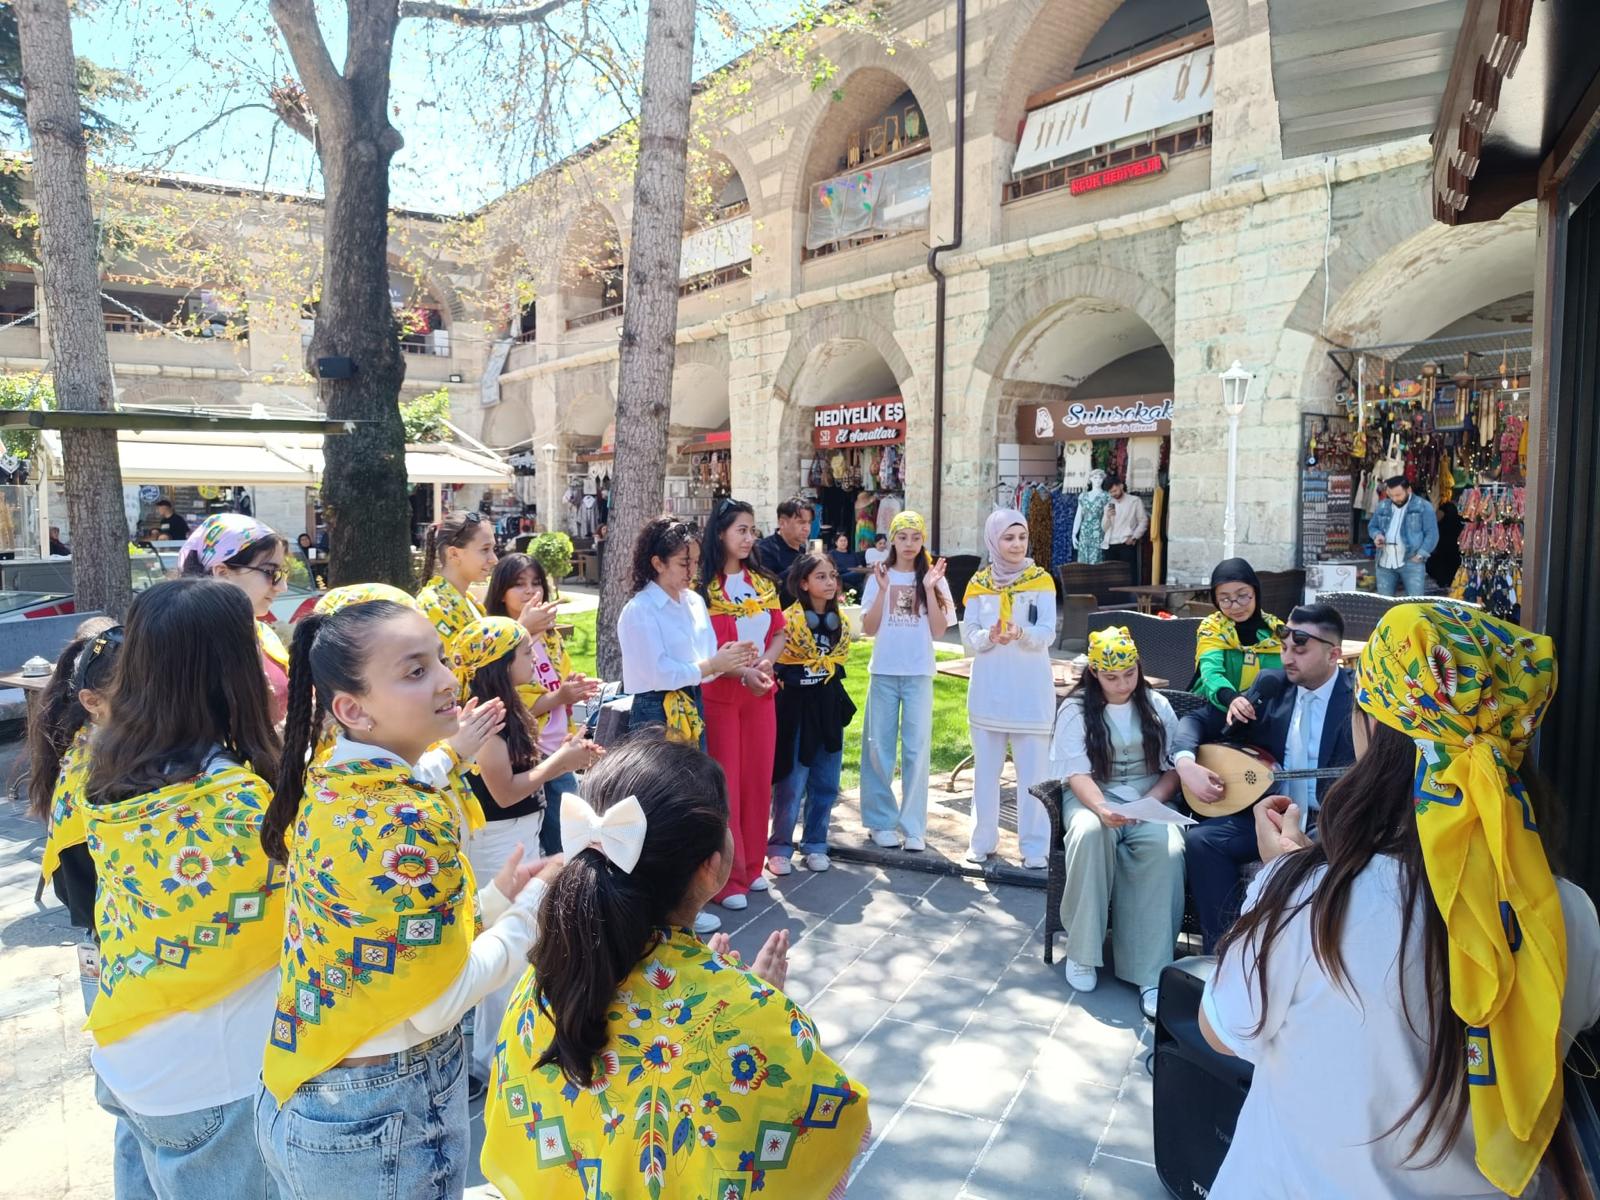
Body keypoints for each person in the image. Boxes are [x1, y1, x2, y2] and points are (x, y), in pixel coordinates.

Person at [1199, 601, 1600, 1197]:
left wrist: (1286, 879)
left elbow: (1221, 1027)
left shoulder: (1307, 901)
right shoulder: (1569, 914)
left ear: (1374, 731)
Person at [480, 730, 871, 1200]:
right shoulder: (756, 1017)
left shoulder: (544, 983)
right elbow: (834, 1130)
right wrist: (756, 1010)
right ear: (711, 866)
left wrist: (742, 1004)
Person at [255, 599, 560, 1198]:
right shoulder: (407, 818)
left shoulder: (332, 779)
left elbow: (399, 937)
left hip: (309, 1087)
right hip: (383, 1115)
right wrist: (531, 913)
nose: (449, 680)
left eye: (441, 660)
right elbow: (437, 1002)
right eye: (415, 671)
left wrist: (496, 899)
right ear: (352, 709)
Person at [83, 578, 284, 1198]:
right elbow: (291, 916)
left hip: (130, 1055)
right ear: (230, 668)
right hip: (218, 1077)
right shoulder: (234, 800)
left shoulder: (105, 768)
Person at [457, 614, 602, 1090]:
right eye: (523, 653)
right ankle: (490, 1063)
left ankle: (503, 1050)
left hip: (521, 833)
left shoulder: (512, 707)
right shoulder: (487, 719)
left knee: (520, 948)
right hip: (497, 845)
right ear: (498, 664)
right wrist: (559, 762)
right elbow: (502, 791)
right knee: (505, 954)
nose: (533, 659)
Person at [1175, 603, 1355, 951]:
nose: (1287, 657)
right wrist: (1185, 763)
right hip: (1267, 814)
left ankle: (1306, 959)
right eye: (1284, 647)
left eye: (1299, 648)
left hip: (1329, 820)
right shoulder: (1271, 686)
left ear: (1334, 654)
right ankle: (1223, 953)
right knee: (1202, 841)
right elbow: (1198, 720)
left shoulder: (1358, 700)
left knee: (1310, 856)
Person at [616, 516, 757, 933]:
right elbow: (656, 674)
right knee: (660, 808)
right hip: (656, 711)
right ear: (656, 562)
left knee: (690, 803)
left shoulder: (694, 603)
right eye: (683, 562)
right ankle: (651, 906)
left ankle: (680, 905)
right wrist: (712, 664)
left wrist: (729, 659)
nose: (691, 570)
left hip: (690, 706)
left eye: (694, 561)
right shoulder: (639, 610)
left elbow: (705, 663)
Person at [1049, 627, 1184, 1019]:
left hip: (1148, 796)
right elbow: (1076, 773)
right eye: (1111, 678)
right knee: (1090, 835)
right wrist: (1102, 809)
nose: (1122, 684)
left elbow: (1173, 767)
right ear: (1094, 674)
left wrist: (1150, 803)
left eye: (1129, 675)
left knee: (1168, 849)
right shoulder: (1075, 710)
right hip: (1093, 793)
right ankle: (1083, 951)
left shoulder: (1158, 704)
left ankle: (1151, 970)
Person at [699, 498, 787, 912]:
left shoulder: (762, 583)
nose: (750, 538)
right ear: (721, 533)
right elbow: (707, 648)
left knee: (756, 779)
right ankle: (725, 878)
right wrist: (742, 673)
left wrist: (767, 661)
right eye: (742, 530)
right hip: (721, 695)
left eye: (753, 530)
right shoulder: (705, 590)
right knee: (727, 785)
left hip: (760, 694)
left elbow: (780, 631)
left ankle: (752, 866)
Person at [484, 552, 599, 856]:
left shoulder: (549, 637)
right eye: (518, 584)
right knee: (559, 841)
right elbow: (512, 705)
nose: (530, 591)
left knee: (570, 830)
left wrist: (573, 687)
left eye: (536, 583)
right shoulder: (499, 641)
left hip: (558, 743)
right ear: (500, 592)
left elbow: (556, 683)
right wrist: (561, 696)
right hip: (531, 753)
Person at [960, 508, 1055, 869]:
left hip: (1030, 692)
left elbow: (1048, 632)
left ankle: (1034, 847)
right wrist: (990, 636)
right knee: (986, 771)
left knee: (1033, 775)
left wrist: (1021, 634)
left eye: (1022, 537)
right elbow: (967, 634)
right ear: (993, 540)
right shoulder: (979, 584)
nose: (1016, 545)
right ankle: (982, 840)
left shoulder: (1041, 581)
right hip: (989, 689)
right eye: (1008, 538)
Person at [859, 510, 953, 852]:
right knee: (878, 748)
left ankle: (914, 826)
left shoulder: (934, 577)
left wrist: (928, 588)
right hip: (883, 671)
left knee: (916, 750)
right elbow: (868, 629)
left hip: (918, 673)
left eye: (916, 537)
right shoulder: (879, 576)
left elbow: (940, 630)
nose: (909, 544)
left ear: (923, 539)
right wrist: (884, 591)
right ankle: (880, 822)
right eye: (903, 537)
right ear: (892, 539)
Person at [767, 552, 856, 876]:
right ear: (803, 583)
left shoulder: (841, 624)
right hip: (796, 709)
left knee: (827, 780)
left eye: (833, 576)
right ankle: (779, 846)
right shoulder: (788, 624)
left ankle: (816, 843)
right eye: (821, 576)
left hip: (828, 706)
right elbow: (779, 664)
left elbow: (839, 662)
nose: (830, 582)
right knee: (792, 781)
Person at [179, 512, 292, 721]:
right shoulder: (187, 645)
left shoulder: (263, 633)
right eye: (270, 572)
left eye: (283, 574)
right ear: (222, 573)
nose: (282, 587)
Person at [1192, 557, 1285, 713]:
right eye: (1225, 599)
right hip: (1214, 709)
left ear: (1256, 592)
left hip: (1268, 715)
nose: (1235, 606)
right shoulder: (1212, 629)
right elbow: (1210, 672)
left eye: (1242, 596)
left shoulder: (1277, 631)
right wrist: (1231, 698)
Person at [417, 509, 499, 682]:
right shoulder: (433, 605)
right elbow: (460, 671)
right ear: (454, 554)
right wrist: (521, 631)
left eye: (493, 549)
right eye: (485, 550)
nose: (494, 559)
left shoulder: (470, 601)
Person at [1371, 474, 1440, 597]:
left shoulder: (1423, 506)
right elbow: (1373, 526)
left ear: (1408, 490)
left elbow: (1432, 534)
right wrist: (1377, 535)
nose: (1394, 498)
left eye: (1398, 495)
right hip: (1384, 562)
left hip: (1411, 561)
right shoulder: (1382, 505)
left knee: (1414, 603)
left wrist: (1420, 555)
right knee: (1384, 604)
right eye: (1390, 495)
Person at [752, 495, 815, 607]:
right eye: (801, 522)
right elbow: (768, 591)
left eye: (809, 523)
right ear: (782, 523)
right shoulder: (763, 550)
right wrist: (800, 566)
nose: (807, 528)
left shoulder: (802, 550)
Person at [1100, 475, 1148, 584]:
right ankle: (1114, 600)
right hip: (1110, 544)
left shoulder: (1134, 501)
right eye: (1110, 492)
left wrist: (1134, 537)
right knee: (1110, 577)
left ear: (1121, 486)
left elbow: (1143, 521)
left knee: (1129, 576)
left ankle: (1130, 599)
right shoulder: (1108, 505)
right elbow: (1104, 528)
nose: (1113, 494)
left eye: (1115, 491)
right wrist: (1107, 516)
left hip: (1126, 543)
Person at [1428, 498, 1464, 590]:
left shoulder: (1444, 508)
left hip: (1445, 544)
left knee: (1443, 564)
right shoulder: (1451, 508)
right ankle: (1448, 583)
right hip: (1452, 544)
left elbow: (1435, 519)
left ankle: (1444, 583)